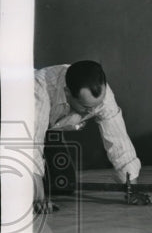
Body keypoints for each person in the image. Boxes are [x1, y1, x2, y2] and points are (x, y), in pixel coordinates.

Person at [33, 61, 142, 214]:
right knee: (20, 189)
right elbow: (31, 143)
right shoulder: (38, 90)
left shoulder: (102, 93)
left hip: (48, 126)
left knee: (62, 185)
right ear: (67, 93)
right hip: (13, 125)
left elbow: (118, 140)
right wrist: (38, 197)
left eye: (97, 104)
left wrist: (132, 190)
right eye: (86, 107)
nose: (94, 111)